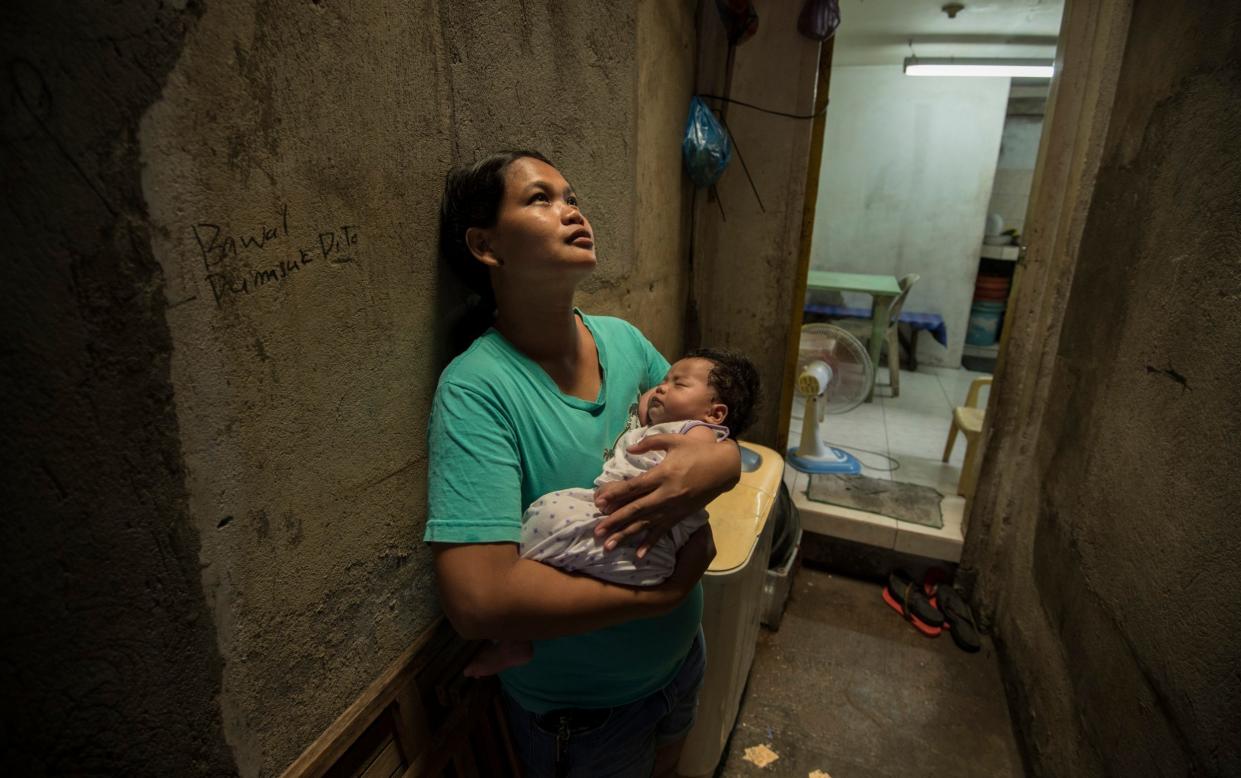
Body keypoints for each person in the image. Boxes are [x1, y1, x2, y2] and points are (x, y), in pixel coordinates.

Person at [425, 150, 743, 778]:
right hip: (587, 716)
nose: (571, 210)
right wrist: (658, 599)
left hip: (681, 663)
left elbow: (700, 428)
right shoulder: (477, 390)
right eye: (539, 199)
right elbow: (478, 600)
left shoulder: (622, 341)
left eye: (571, 196)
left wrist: (723, 466)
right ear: (486, 246)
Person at [464, 349, 761, 678]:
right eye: (663, 380)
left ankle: (513, 638)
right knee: (543, 521)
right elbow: (651, 401)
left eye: (678, 383)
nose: (661, 387)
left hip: (644, 538)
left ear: (715, 413)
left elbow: (718, 454)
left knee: (545, 524)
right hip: (620, 531)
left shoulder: (697, 431)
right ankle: (515, 637)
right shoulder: (672, 416)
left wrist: (728, 459)